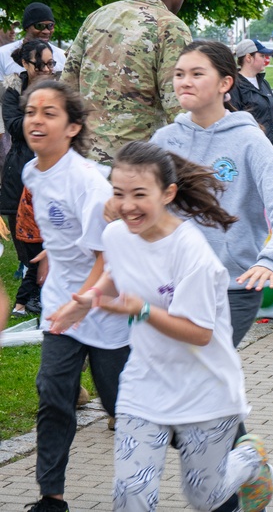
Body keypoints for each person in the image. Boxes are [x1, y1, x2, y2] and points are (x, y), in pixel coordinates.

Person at [50, 141, 273, 511]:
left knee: (205, 496)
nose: (126, 206)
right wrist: (89, 300)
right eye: (119, 193)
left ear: (167, 193)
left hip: (207, 389)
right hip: (145, 383)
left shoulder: (192, 253)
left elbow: (199, 333)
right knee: (130, 493)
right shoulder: (116, 235)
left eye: (140, 194)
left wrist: (142, 311)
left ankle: (250, 460)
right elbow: (116, 270)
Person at [20, 80, 130, 512]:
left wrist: (82, 299)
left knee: (126, 410)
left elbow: (111, 255)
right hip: (62, 308)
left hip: (105, 307)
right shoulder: (33, 170)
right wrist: (57, 251)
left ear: (72, 127)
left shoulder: (88, 183)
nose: (37, 120)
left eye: (49, 113)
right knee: (53, 395)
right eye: (32, 111)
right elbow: (66, 229)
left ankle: (217, 452)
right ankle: (52, 498)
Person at [149, 40, 273, 348]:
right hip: (170, 283)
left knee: (204, 365)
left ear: (225, 83)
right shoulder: (163, 141)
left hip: (232, 286)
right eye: (179, 74)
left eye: (196, 73)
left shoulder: (249, 141)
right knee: (181, 375)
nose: (185, 82)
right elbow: (139, 206)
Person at [62, 0, 192, 164]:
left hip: (82, 161)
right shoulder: (171, 28)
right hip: (135, 167)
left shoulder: (98, 17)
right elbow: (179, 110)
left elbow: (66, 89)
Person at [2, 40, 54, 316]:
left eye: (51, 63)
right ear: (25, 63)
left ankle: (37, 295)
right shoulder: (12, 88)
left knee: (52, 241)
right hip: (20, 174)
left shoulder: (59, 88)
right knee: (26, 246)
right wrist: (47, 118)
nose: (47, 69)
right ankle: (30, 297)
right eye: (40, 64)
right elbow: (14, 126)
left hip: (53, 173)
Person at [229, 39, 273, 150]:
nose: (266, 59)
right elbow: (234, 123)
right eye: (262, 56)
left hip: (270, 149)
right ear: (248, 58)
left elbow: (272, 114)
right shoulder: (234, 86)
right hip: (250, 150)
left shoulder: (263, 83)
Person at [0, 3, 67, 77]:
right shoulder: (3, 54)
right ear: (27, 27)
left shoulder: (63, 56)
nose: (46, 31)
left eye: (50, 26)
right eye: (39, 26)